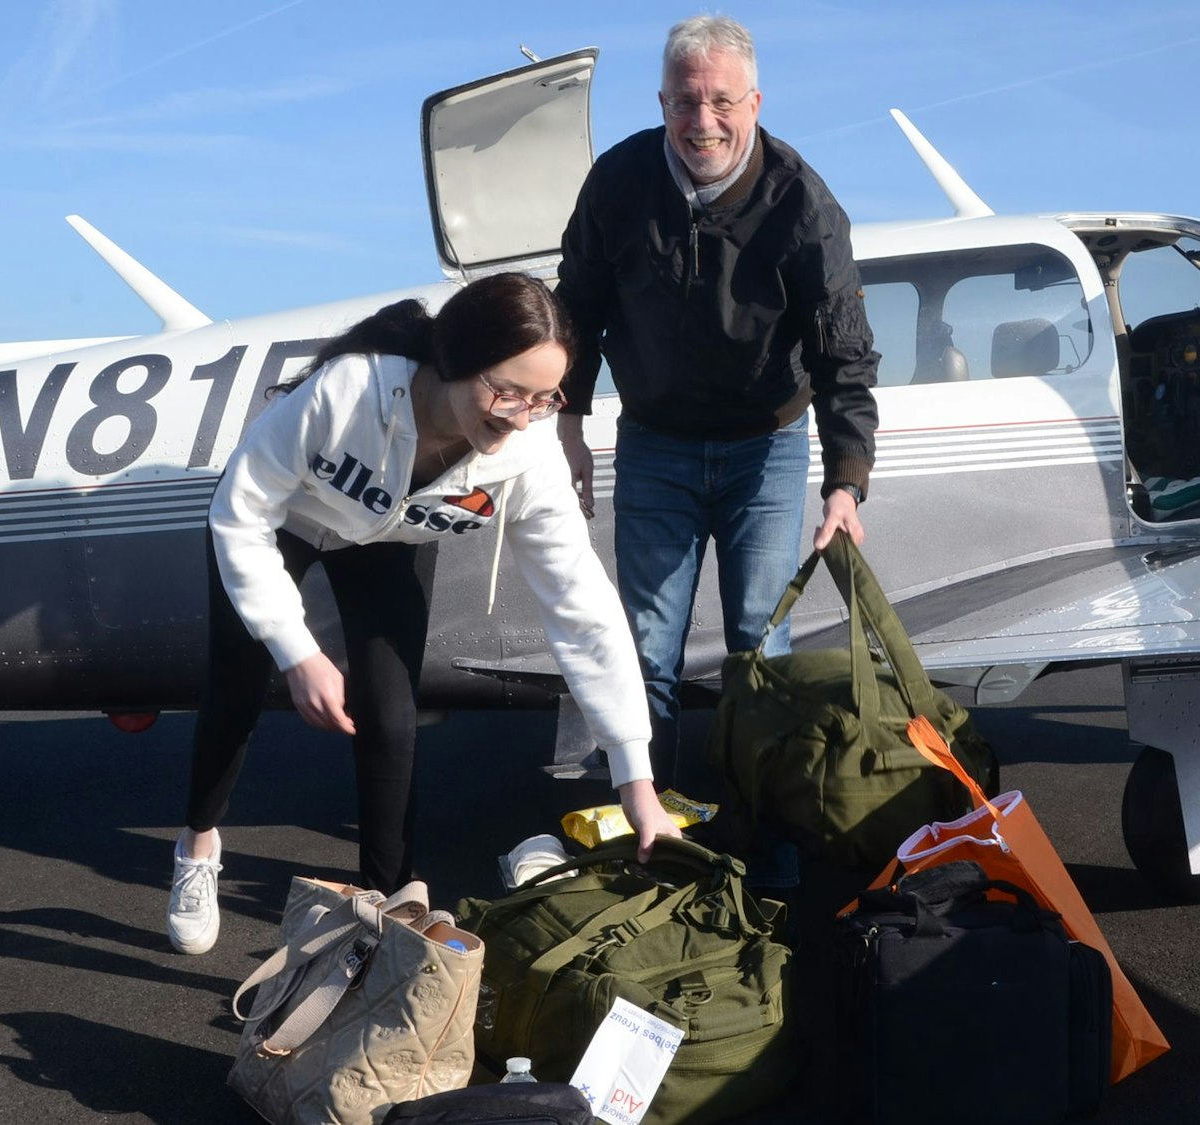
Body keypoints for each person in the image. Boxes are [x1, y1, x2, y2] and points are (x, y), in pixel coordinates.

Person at [167, 272, 681, 956]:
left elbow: (582, 608)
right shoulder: (347, 391)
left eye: (541, 398)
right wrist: (297, 650)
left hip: (387, 539)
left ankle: (385, 916)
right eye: (505, 390)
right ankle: (199, 844)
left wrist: (635, 780)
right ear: (453, 360)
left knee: (391, 716)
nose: (517, 415)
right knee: (236, 684)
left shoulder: (528, 455)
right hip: (279, 523)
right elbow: (239, 514)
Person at [554, 14, 880, 787]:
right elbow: (578, 309)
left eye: (721, 102)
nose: (703, 122)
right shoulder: (617, 183)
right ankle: (647, 835)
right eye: (685, 103)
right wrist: (566, 421)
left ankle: (764, 844)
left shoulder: (803, 202)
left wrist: (846, 479)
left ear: (755, 103)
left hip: (764, 447)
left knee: (758, 648)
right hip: (655, 443)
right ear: (662, 101)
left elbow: (844, 348)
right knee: (646, 649)